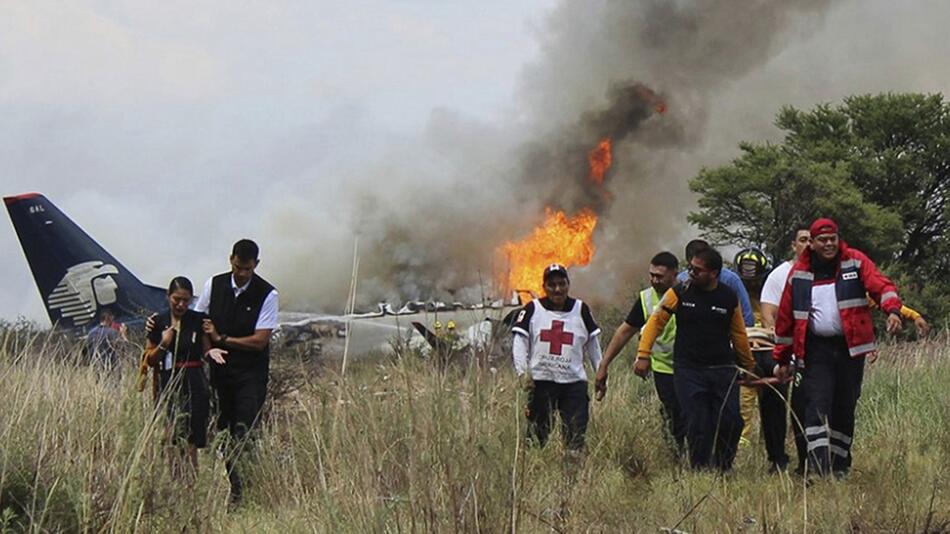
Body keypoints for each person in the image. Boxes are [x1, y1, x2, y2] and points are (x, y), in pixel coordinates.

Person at [773, 218, 903, 478]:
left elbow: (882, 286)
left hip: (850, 350)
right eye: (822, 240)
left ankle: (840, 467)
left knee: (845, 407)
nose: (829, 244)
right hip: (815, 351)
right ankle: (818, 471)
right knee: (816, 406)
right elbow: (786, 319)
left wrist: (893, 310)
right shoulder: (798, 273)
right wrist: (782, 358)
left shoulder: (855, 261)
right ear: (812, 242)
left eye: (833, 238)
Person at [637, 248, 754, 471]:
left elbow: (739, 334)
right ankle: (700, 470)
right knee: (698, 423)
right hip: (689, 370)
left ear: (714, 273)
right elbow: (655, 322)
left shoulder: (728, 297)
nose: (691, 273)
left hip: (722, 369)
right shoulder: (680, 292)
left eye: (697, 270)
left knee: (732, 421)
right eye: (690, 268)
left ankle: (722, 467)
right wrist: (643, 354)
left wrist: (748, 366)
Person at [195, 239, 278, 504]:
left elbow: (260, 340)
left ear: (256, 265)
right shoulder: (214, 285)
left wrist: (223, 339)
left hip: (250, 376)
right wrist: (209, 350)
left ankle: (243, 492)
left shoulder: (267, 294)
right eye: (239, 267)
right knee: (223, 430)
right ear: (231, 259)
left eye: (248, 269)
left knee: (244, 431)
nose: (242, 274)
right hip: (220, 373)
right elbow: (201, 322)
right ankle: (234, 486)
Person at [594, 252, 685, 453]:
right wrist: (604, 364)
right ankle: (678, 457)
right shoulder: (646, 298)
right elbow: (625, 331)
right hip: (664, 368)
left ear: (674, 274)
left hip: (690, 367)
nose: (654, 280)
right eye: (651, 275)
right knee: (673, 414)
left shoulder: (688, 294)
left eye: (659, 276)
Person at [512, 264, 603, 451]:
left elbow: (593, 344)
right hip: (541, 383)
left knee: (576, 436)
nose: (557, 289)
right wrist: (522, 373)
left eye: (562, 284)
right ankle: (535, 473)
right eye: (552, 285)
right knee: (537, 437)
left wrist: (600, 373)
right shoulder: (532, 309)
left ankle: (572, 475)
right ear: (544, 287)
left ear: (568, 284)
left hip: (574, 384)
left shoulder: (580, 309)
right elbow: (519, 342)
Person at [143, 277, 224, 476]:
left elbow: (206, 349)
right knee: (171, 435)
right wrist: (163, 344)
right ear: (168, 296)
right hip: (168, 382)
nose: (181, 304)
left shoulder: (198, 320)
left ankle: (191, 484)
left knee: (191, 438)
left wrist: (211, 353)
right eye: (176, 299)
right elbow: (149, 359)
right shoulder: (158, 322)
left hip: (194, 382)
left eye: (186, 300)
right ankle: (174, 480)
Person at [735, 247, 790, 472]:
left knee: (774, 400)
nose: (752, 284)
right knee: (744, 396)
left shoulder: (773, 285)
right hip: (742, 346)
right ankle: (743, 439)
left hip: (770, 347)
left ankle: (776, 452)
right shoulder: (734, 288)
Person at [677, 239, 756, 327]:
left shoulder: (730, 280)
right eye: (692, 268)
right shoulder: (681, 281)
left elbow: (746, 315)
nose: (692, 273)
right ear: (689, 260)